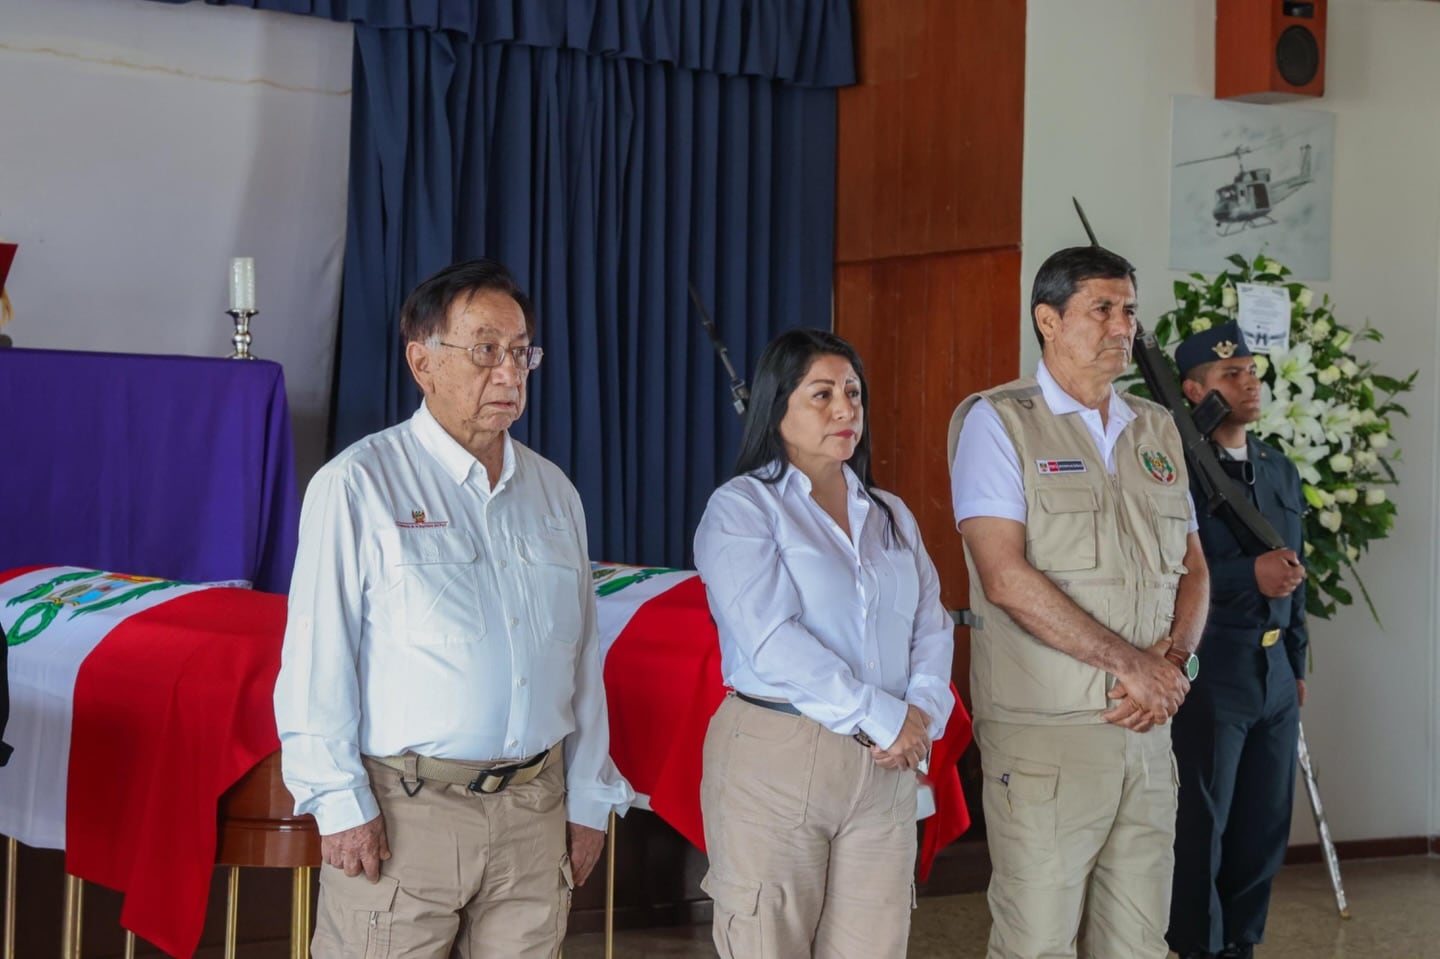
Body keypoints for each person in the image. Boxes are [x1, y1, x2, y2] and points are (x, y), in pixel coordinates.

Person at [274, 258, 633, 959]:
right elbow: (318, 658)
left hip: (535, 809)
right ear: (422, 360)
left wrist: (588, 798)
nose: (509, 372)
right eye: (485, 350)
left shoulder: (555, 493)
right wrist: (341, 804)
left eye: (520, 351)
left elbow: (582, 658)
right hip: (407, 811)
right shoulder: (358, 484)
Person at [947, 245, 1210, 959]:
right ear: (1048, 320)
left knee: (1139, 943)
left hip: (1146, 730)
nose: (1122, 324)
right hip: (1048, 735)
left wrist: (1172, 661)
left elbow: (1192, 566)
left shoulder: (1155, 427)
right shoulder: (998, 423)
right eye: (1102, 308)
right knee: (1038, 943)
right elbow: (1003, 576)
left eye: (1129, 308)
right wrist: (1134, 664)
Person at [693, 328, 955, 959]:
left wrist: (920, 712)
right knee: (766, 940)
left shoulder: (890, 511)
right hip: (780, 750)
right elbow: (772, 639)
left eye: (854, 393)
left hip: (887, 760)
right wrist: (886, 717)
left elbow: (931, 621)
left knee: (876, 943)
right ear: (776, 406)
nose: (845, 410)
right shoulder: (743, 508)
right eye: (822, 395)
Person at [1166, 322, 1308, 959]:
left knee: (1263, 826)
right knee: (1204, 826)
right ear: (1195, 389)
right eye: (1230, 375)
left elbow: (1296, 572)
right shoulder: (1176, 471)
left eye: (1251, 371)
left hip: (1273, 669)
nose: (1248, 383)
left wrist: (1297, 662)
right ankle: (1200, 946)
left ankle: (1241, 944)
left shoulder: (1277, 466)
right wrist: (1243, 574)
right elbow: (1166, 570)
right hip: (1212, 661)